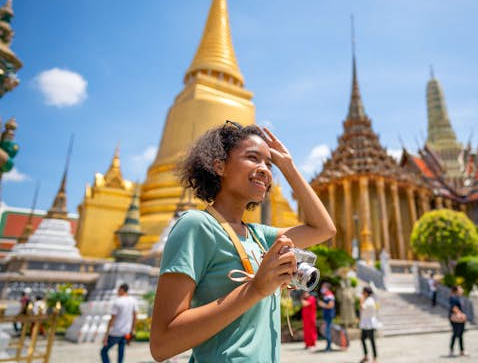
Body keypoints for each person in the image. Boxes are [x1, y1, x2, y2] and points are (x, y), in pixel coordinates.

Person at [149, 123, 336, 362]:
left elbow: (324, 228)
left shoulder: (260, 236)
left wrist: (287, 166)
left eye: (268, 165)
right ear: (219, 165)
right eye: (252, 158)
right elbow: (161, 345)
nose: (265, 170)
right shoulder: (196, 226)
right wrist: (255, 289)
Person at [101, 283, 137, 363]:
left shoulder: (118, 301)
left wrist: (106, 335)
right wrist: (133, 329)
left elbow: (112, 319)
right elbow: (135, 317)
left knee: (103, 351)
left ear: (122, 290)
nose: (117, 292)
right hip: (126, 332)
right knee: (121, 352)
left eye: (118, 290)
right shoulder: (133, 301)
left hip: (115, 332)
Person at [359, 286, 378, 363]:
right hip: (365, 324)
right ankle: (366, 355)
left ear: (366, 293)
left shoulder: (369, 301)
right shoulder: (367, 300)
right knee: (363, 339)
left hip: (370, 324)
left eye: (363, 292)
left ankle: (375, 358)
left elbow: (362, 308)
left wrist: (361, 300)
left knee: (372, 341)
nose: (362, 293)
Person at [448, 285, 467, 357]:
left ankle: (462, 350)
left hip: (461, 318)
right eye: (460, 288)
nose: (462, 290)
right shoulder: (453, 297)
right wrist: (460, 314)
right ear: (456, 290)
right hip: (455, 318)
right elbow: (453, 307)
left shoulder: (460, 297)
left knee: (461, 334)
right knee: (455, 333)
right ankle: (451, 349)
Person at [318, 282, 336, 352]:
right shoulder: (326, 295)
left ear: (326, 288)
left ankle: (329, 347)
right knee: (327, 331)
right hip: (327, 315)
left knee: (327, 331)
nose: (322, 288)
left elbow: (331, 305)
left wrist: (322, 304)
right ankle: (328, 346)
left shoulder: (329, 295)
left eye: (323, 287)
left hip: (329, 316)